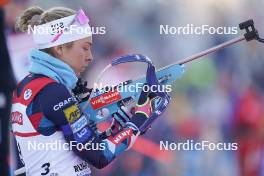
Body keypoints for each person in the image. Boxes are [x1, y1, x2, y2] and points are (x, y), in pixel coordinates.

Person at [11, 6, 170, 176]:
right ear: (60, 48)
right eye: (85, 48)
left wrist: (120, 123)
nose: (90, 56)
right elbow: (99, 155)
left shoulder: (27, 85)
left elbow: (79, 145)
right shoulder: (54, 92)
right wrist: (139, 120)